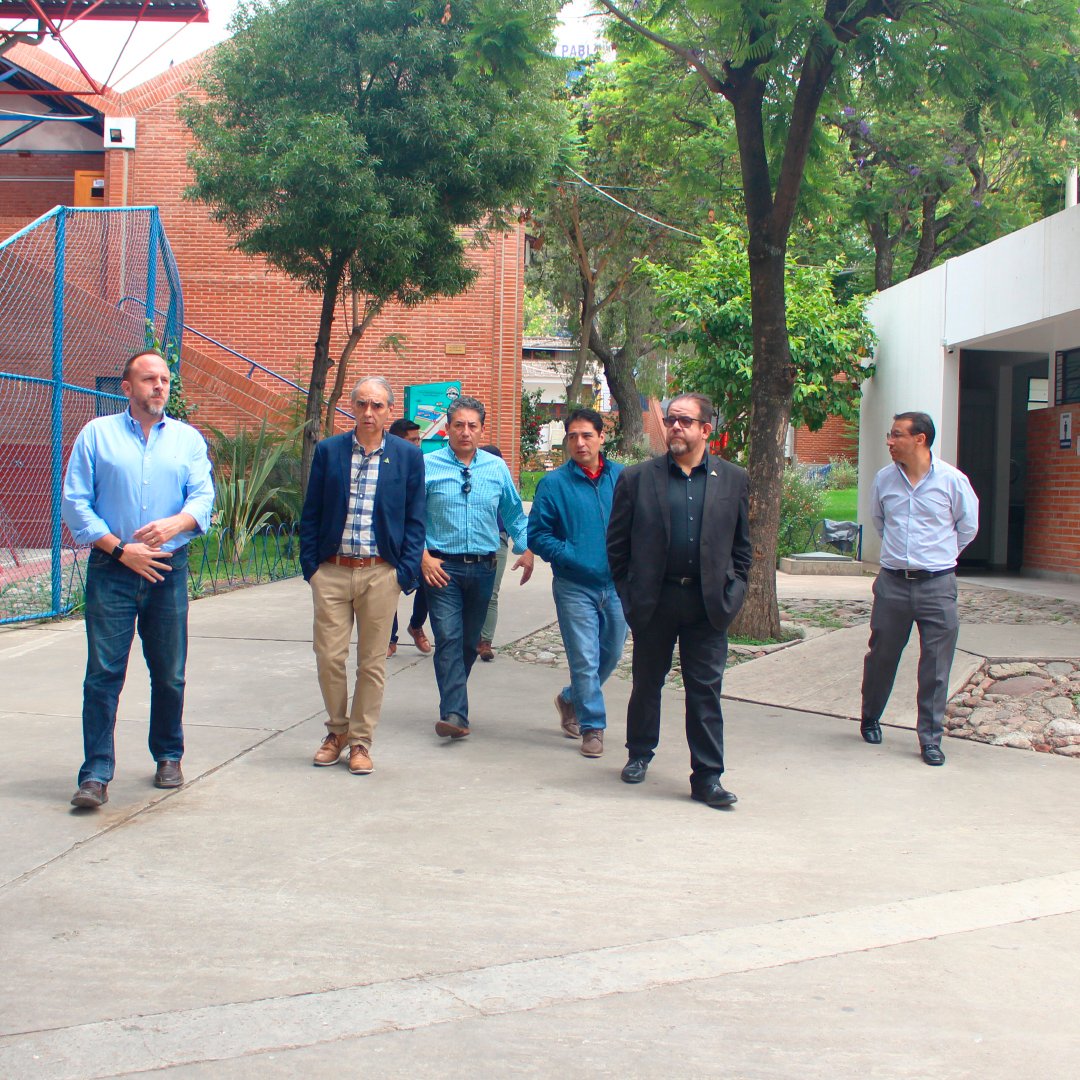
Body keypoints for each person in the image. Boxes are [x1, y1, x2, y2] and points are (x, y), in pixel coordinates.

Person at [62, 350, 214, 809]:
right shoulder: (96, 435)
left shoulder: (187, 440)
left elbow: (203, 496)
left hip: (167, 567)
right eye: (149, 379)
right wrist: (121, 550)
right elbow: (76, 503)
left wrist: (177, 523)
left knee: (169, 672)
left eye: (164, 379)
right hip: (113, 568)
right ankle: (95, 775)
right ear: (127, 387)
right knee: (103, 674)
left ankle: (168, 755)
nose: (159, 386)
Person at [607, 393, 751, 809]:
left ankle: (708, 777)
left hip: (708, 605)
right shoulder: (637, 479)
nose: (674, 427)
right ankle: (639, 753)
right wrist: (630, 595)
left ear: (706, 429)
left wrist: (733, 592)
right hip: (655, 601)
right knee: (646, 682)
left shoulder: (733, 479)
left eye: (684, 421)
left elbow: (743, 548)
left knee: (705, 691)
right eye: (671, 419)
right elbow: (617, 547)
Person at [299, 377, 426, 775]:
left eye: (377, 405)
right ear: (352, 407)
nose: (369, 412)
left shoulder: (407, 456)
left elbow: (415, 519)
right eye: (362, 404)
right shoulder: (329, 451)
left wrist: (403, 573)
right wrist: (312, 569)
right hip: (332, 570)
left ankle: (360, 742)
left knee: (372, 663)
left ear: (389, 411)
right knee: (329, 657)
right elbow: (311, 512)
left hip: (380, 573)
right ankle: (336, 732)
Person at [860, 411, 979, 766]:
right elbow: (879, 521)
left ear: (920, 439)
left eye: (896, 434)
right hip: (893, 584)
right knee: (881, 655)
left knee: (936, 665)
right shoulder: (884, 480)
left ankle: (930, 738)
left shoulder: (953, 481)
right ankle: (870, 716)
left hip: (938, 585)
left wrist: (938, 557)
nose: (889, 441)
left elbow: (967, 527)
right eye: (890, 434)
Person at [421, 395, 533, 739]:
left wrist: (527, 548)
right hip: (442, 568)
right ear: (447, 428)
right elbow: (409, 516)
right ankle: (454, 714)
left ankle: (454, 703)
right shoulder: (427, 465)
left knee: (470, 643)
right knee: (448, 638)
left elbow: (513, 513)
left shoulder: (496, 468)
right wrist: (422, 555)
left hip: (484, 567)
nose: (465, 432)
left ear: (482, 430)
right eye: (458, 425)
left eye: (472, 426)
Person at [529, 408, 627, 758]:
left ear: (602, 437)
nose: (580, 442)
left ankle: (571, 698)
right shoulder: (554, 484)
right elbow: (538, 535)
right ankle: (592, 727)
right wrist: (570, 554)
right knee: (584, 658)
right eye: (573, 436)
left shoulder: (623, 478)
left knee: (611, 654)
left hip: (617, 585)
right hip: (574, 585)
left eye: (587, 435)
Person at [385, 417, 432, 659]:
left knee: (429, 582)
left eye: (418, 440)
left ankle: (416, 625)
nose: (417, 446)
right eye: (412, 441)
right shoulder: (383, 465)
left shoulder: (424, 464)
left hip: (418, 538)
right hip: (390, 538)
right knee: (387, 586)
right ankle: (389, 637)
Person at [475, 443, 509, 662]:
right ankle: (471, 637)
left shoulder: (503, 484)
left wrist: (525, 548)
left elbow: (515, 514)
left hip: (497, 541)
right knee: (471, 593)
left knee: (491, 593)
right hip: (473, 541)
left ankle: (486, 641)